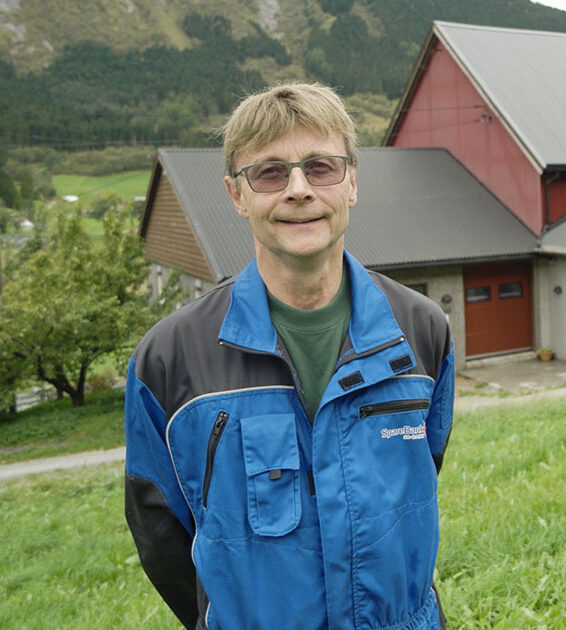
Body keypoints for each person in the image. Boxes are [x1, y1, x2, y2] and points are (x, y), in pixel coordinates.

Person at [124, 83, 454, 630]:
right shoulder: (168, 358)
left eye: (320, 167)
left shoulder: (421, 329)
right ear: (237, 195)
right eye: (270, 173)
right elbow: (161, 532)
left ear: (352, 184)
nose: (298, 189)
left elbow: (425, 471)